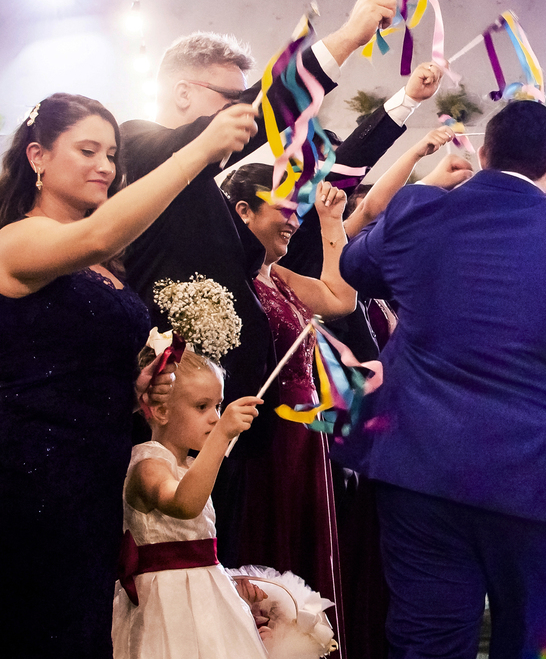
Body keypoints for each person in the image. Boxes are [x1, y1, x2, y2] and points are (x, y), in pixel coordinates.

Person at [119, 0, 435, 567]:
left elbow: (334, 186)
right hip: (175, 423)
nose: (240, 117)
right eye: (228, 98)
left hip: (230, 426)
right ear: (184, 95)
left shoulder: (203, 191)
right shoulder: (141, 145)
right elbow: (264, 110)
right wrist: (345, 38)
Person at [339, 99, 546, 659]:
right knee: (528, 644)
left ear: (484, 153)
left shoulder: (420, 210)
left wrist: (430, 194)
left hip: (420, 469)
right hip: (537, 479)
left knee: (426, 643)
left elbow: (355, 267)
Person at [0, 93, 252, 656]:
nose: (105, 167)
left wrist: (136, 383)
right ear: (38, 157)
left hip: (94, 471)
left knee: (81, 623)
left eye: (111, 155)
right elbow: (98, 235)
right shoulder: (17, 240)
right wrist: (201, 149)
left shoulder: (98, 264)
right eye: (87, 150)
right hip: (31, 471)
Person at [221, 128, 461, 649]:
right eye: (283, 209)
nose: (292, 218)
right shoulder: (233, 281)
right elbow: (371, 206)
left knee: (311, 548)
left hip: (308, 440)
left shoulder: (281, 278)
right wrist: (421, 156)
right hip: (268, 436)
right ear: (241, 213)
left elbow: (340, 299)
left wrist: (331, 224)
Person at [113, 349, 267, 658]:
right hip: (166, 609)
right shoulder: (149, 463)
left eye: (218, 406)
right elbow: (184, 504)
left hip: (206, 603)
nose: (215, 416)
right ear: (160, 411)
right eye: (202, 407)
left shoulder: (189, 465)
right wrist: (222, 435)